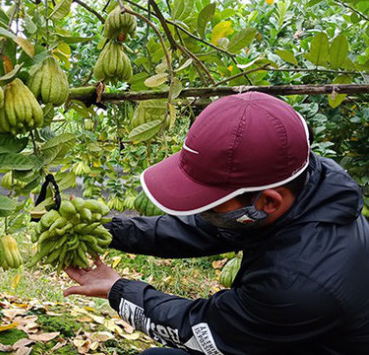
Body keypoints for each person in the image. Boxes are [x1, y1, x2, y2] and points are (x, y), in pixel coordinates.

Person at [63, 92, 369, 354]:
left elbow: (201, 330)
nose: (201, 210)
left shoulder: (297, 285)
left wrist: (118, 289)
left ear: (269, 202)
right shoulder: (305, 183)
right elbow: (201, 228)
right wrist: (106, 230)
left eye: (210, 203)